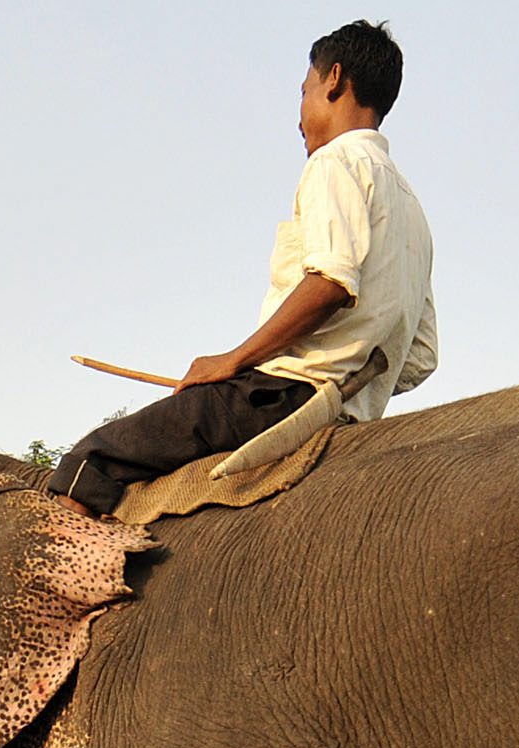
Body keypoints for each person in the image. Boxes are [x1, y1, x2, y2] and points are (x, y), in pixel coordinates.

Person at [45, 21, 437, 517]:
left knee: (87, 463)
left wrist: (232, 362)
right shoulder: (413, 210)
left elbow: (331, 282)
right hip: (352, 410)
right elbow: (420, 357)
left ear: (334, 79)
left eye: (305, 91)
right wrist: (355, 373)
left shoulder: (333, 163)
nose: (299, 115)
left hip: (282, 397)